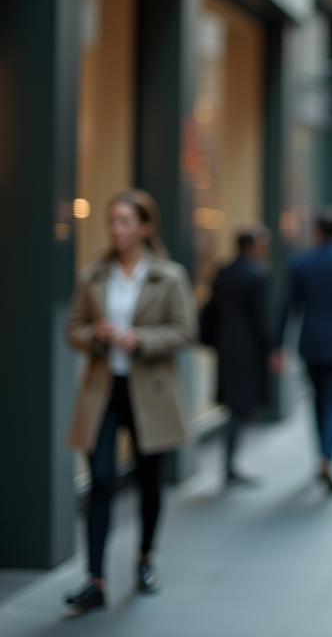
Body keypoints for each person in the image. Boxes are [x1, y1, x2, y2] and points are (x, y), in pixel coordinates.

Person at [63, 189, 197, 615]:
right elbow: (73, 328)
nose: (115, 229)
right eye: (111, 221)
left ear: (145, 227)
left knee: (148, 479)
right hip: (104, 389)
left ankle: (144, 560)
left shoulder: (169, 276)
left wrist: (140, 339)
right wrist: (94, 336)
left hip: (150, 390)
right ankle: (95, 578)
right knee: (101, 479)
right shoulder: (93, 276)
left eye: (124, 221)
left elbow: (184, 331)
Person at [272, 212, 332, 494]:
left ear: (316, 232)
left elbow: (287, 306)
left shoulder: (301, 263)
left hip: (311, 342)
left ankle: (321, 455)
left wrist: (279, 345)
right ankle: (328, 457)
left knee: (317, 401)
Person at [200, 226, 272, 486]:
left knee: (233, 405)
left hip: (225, 343)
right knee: (238, 408)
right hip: (247, 349)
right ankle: (229, 465)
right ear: (251, 246)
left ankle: (229, 464)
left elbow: (211, 310)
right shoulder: (257, 275)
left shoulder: (223, 271)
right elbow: (260, 318)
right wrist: (269, 349)